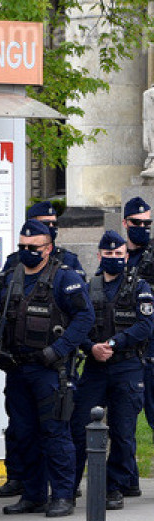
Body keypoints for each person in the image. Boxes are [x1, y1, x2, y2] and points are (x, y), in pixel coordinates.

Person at [0, 220, 94, 518]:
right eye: (22, 247)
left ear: (48, 248)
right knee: (24, 433)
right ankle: (33, 494)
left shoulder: (63, 278)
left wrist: (60, 350)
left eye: (33, 248)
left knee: (54, 432)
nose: (26, 252)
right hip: (17, 368)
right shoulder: (11, 276)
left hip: (50, 369)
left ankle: (63, 495)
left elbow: (84, 317)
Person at [71, 231, 154, 509]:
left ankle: (114, 487)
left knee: (123, 431)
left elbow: (145, 326)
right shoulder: (87, 286)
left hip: (127, 366)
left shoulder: (139, 287)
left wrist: (113, 343)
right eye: (108, 255)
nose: (114, 259)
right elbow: (75, 326)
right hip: (94, 367)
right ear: (99, 256)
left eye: (119, 254)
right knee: (79, 426)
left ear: (126, 256)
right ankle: (68, 488)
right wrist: (90, 347)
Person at [122, 196, 154, 498]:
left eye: (147, 224)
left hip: (152, 348)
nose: (143, 228)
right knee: (126, 420)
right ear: (125, 223)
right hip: (128, 351)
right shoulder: (117, 255)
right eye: (137, 223)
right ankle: (128, 478)